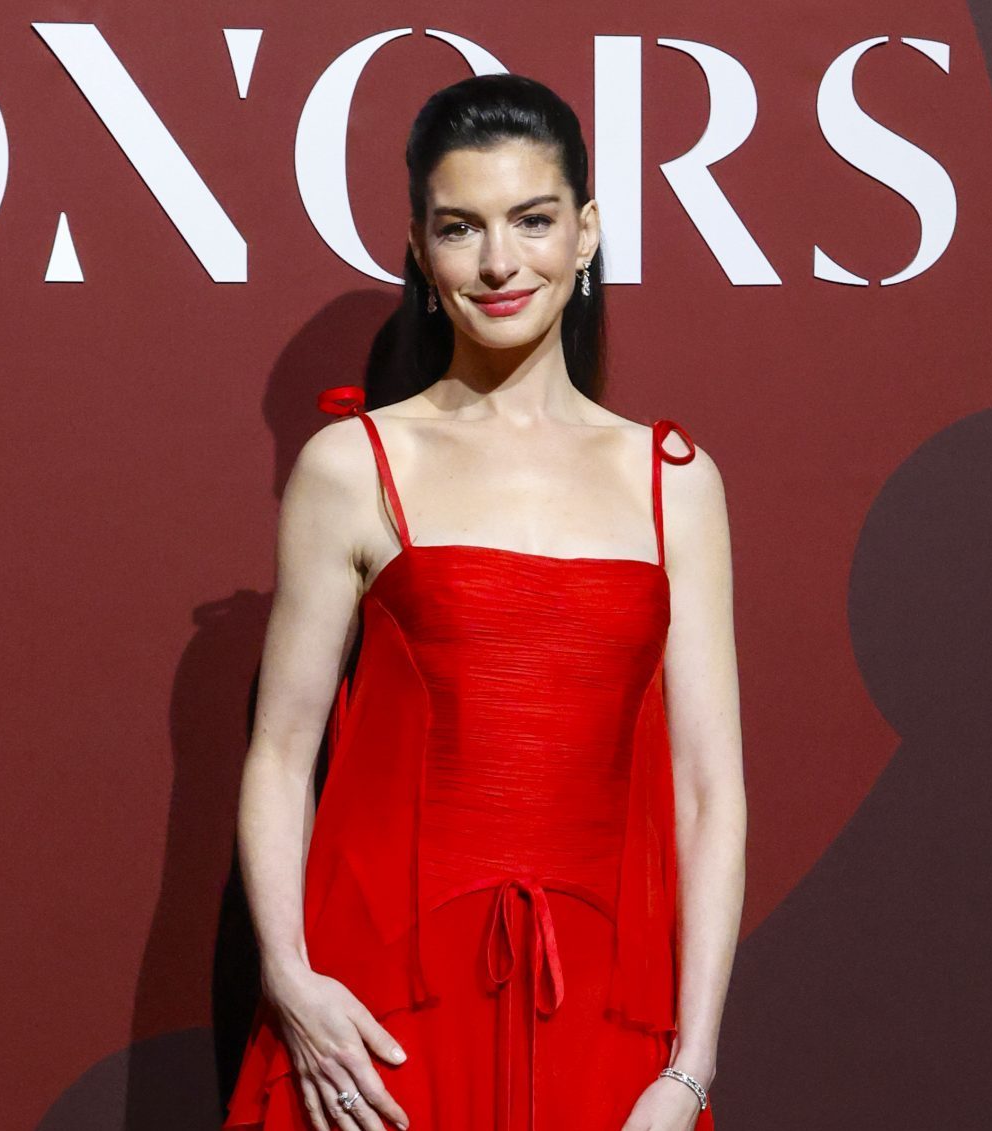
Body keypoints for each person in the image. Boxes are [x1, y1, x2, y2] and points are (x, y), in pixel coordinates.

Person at [225, 73, 745, 1131]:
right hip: (381, 1026)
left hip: (607, 1023)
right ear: (421, 253)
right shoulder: (353, 466)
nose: (500, 262)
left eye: (533, 220)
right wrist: (292, 979)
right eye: (460, 228)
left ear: (586, 232)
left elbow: (708, 792)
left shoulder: (675, 483)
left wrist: (689, 1067)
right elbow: (280, 754)